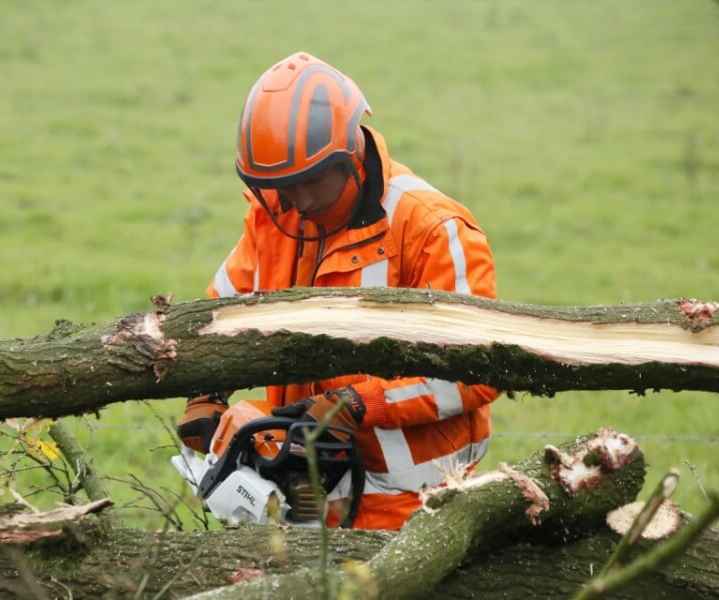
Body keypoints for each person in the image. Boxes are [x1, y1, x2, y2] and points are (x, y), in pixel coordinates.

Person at [177, 51, 500, 530]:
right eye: (284, 187)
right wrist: (205, 388)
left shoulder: (430, 229)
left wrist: (358, 404)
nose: (301, 203)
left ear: (351, 153)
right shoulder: (275, 216)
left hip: (415, 497)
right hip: (310, 491)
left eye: (312, 183)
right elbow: (223, 311)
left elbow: (478, 369)